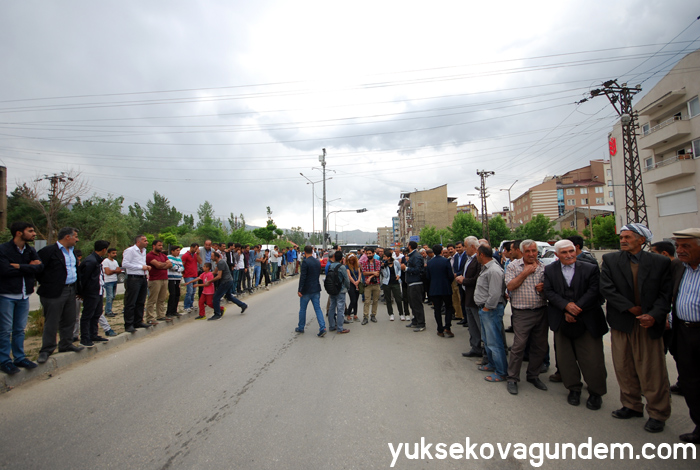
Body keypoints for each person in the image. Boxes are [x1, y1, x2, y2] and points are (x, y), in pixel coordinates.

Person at [600, 223, 672, 434]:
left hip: (647, 323)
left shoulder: (659, 262)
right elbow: (607, 289)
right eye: (621, 237)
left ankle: (658, 413)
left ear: (642, 240)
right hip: (623, 322)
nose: (623, 240)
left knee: (652, 370)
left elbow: (665, 294)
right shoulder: (611, 260)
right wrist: (629, 308)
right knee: (624, 366)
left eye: (628, 237)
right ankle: (631, 405)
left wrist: (654, 315)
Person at [544, 240, 608, 409]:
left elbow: (594, 291)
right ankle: (573, 389)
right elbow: (549, 291)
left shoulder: (590, 268)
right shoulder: (550, 270)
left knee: (592, 359)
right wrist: (565, 307)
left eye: (571, 251)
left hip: (586, 318)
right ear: (557, 255)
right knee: (566, 359)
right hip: (562, 318)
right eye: (564, 253)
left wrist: (575, 308)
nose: (569, 255)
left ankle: (596, 393)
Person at [503, 240, 549, 395]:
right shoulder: (513, 266)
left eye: (534, 251)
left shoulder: (543, 267)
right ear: (522, 252)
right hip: (522, 313)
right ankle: (512, 378)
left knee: (540, 346)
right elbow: (510, 286)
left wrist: (545, 288)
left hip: (541, 311)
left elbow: (552, 289)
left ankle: (533, 375)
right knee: (518, 346)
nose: (531, 254)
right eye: (528, 251)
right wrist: (525, 273)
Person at [0, 222, 44, 374]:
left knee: (19, 329)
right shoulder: (3, 249)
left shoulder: (30, 250)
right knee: (5, 330)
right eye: (30, 231)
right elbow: (4, 270)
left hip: (24, 294)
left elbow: (39, 268)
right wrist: (28, 267)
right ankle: (5, 360)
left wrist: (18, 266)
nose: (34, 234)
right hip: (7, 294)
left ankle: (19, 357)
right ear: (19, 233)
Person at [36, 227, 84, 363]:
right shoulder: (49, 251)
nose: (77, 239)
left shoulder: (72, 252)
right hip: (54, 292)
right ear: (67, 237)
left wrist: (78, 290)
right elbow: (37, 269)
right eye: (75, 236)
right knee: (52, 321)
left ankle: (66, 344)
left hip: (70, 290)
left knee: (69, 319)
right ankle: (47, 349)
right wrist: (49, 283)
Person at [670, 228, 700, 444]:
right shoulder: (680, 268)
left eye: (686, 246)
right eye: (678, 246)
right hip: (683, 332)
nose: (679, 250)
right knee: (690, 383)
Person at [473, 245, 507, 383]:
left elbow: (494, 293)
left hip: (491, 310)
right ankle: (492, 364)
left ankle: (501, 372)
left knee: (494, 342)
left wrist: (487, 308)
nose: (476, 256)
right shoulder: (487, 268)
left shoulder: (493, 270)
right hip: (485, 309)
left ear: (481, 254)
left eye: (477, 254)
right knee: (487, 341)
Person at [77, 240, 110, 348]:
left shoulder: (97, 260)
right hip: (91, 292)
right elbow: (84, 278)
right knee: (88, 315)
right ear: (104, 250)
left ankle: (93, 334)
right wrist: (82, 292)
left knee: (97, 313)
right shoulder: (90, 261)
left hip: (98, 291)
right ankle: (85, 338)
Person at [456, 236, 484, 358]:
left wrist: (464, 280)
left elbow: (478, 279)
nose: (464, 249)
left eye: (466, 246)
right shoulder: (468, 259)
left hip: (475, 298)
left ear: (473, 247)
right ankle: (475, 347)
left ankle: (485, 351)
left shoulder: (479, 260)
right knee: (472, 326)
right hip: (467, 296)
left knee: (480, 326)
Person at [122, 234, 152, 333]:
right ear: (138, 242)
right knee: (131, 302)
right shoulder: (130, 251)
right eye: (145, 240)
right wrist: (141, 267)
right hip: (133, 278)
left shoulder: (144, 251)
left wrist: (146, 268)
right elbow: (125, 264)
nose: (147, 242)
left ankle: (138, 321)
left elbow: (141, 263)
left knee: (141, 301)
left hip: (142, 277)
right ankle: (129, 324)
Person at [207, 251, 248, 320]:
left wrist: (209, 281)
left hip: (226, 282)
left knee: (216, 298)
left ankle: (217, 314)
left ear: (216, 257)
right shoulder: (219, 262)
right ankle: (243, 305)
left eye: (212, 256)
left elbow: (219, 276)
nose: (211, 258)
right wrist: (206, 274)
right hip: (229, 281)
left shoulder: (221, 263)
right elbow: (214, 272)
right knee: (228, 296)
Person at [296, 245, 327, 337]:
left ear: (304, 252)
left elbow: (303, 277)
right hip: (316, 288)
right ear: (312, 251)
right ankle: (322, 327)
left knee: (302, 309)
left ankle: (301, 327)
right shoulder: (317, 262)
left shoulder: (305, 262)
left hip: (306, 290)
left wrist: (300, 289)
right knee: (318, 309)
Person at [426, 244, 455, 338]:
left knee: (437, 309)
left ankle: (440, 329)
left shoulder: (430, 263)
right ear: (442, 251)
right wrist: (448, 282)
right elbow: (450, 275)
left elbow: (428, 277)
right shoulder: (446, 261)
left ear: (433, 252)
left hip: (434, 289)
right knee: (448, 307)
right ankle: (447, 327)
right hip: (445, 287)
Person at [145, 240, 173, 325]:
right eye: (159, 245)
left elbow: (170, 264)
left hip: (164, 278)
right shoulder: (149, 256)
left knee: (162, 298)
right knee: (152, 299)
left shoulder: (163, 255)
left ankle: (160, 315)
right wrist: (163, 265)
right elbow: (157, 265)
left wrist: (162, 264)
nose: (161, 247)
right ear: (154, 246)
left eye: (161, 245)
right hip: (155, 280)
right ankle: (150, 317)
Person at [403, 241, 426, 332]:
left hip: (416, 283)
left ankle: (421, 323)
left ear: (409, 246)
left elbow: (418, 269)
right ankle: (415, 321)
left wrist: (406, 268)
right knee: (412, 304)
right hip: (411, 283)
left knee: (417, 304)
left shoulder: (416, 256)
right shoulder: (412, 255)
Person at [327, 251, 350, 334]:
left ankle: (332, 326)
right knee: (340, 309)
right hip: (341, 290)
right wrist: (348, 287)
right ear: (342, 258)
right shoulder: (342, 267)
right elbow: (346, 279)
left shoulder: (330, 266)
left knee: (332, 307)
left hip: (332, 290)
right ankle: (340, 328)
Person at [380, 249, 404, 321]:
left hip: (395, 282)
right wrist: (383, 267)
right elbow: (384, 275)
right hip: (386, 283)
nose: (384, 258)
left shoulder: (396, 262)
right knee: (388, 299)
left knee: (398, 299)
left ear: (389, 257)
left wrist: (398, 275)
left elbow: (400, 269)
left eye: (385, 256)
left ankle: (401, 314)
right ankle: (391, 314)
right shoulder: (384, 264)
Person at [360, 246, 381, 325]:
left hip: (376, 284)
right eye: (367, 253)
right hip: (368, 285)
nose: (368, 255)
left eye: (370, 253)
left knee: (375, 301)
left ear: (373, 253)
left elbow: (378, 272)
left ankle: (373, 315)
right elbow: (364, 273)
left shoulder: (378, 262)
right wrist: (373, 273)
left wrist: (370, 277)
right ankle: (365, 316)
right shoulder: (364, 262)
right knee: (367, 301)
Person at [181, 243, 200, 313]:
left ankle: (191, 304)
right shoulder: (185, 255)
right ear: (191, 247)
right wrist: (184, 273)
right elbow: (183, 265)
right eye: (195, 248)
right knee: (189, 291)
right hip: (188, 275)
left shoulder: (195, 255)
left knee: (194, 291)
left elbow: (200, 261)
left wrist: (197, 254)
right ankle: (186, 306)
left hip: (195, 274)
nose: (196, 250)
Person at [101, 247, 121, 317]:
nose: (115, 254)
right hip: (108, 281)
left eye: (115, 253)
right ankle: (108, 311)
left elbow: (119, 270)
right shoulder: (105, 261)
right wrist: (114, 271)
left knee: (113, 296)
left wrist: (113, 271)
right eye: (113, 253)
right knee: (109, 296)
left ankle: (110, 310)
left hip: (114, 280)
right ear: (108, 253)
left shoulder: (115, 261)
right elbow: (107, 272)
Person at [166, 245, 184, 318]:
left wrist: (179, 268)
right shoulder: (169, 257)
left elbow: (182, 267)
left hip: (178, 278)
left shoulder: (179, 258)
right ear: (172, 251)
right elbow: (172, 266)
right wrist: (178, 268)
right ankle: (169, 311)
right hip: (171, 278)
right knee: (172, 294)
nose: (178, 252)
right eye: (177, 250)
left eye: (179, 250)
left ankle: (175, 310)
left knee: (177, 294)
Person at [345, 254, 360, 323]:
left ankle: (355, 314)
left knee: (356, 300)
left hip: (357, 282)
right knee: (353, 300)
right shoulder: (347, 266)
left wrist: (358, 281)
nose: (352, 262)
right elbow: (349, 276)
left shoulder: (357, 265)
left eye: (353, 261)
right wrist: (355, 283)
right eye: (350, 260)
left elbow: (359, 273)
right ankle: (348, 314)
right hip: (351, 284)